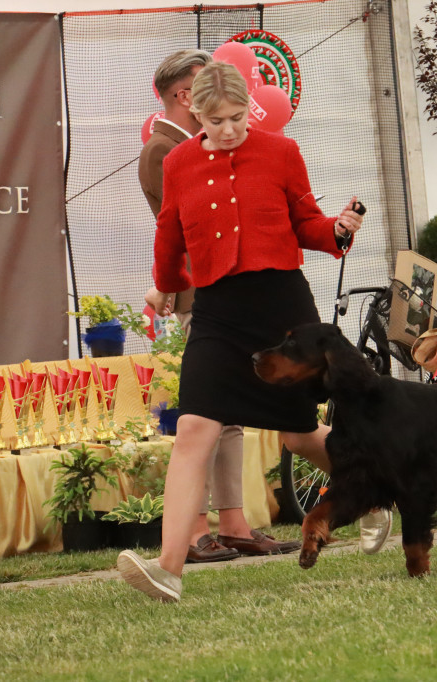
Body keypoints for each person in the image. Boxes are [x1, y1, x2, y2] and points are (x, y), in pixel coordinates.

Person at [118, 61, 381, 602]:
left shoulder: (281, 152)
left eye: (238, 117)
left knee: (299, 433)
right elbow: (169, 236)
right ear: (195, 112)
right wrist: (165, 286)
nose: (231, 129)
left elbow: (305, 222)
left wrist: (335, 229)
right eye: (217, 121)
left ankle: (374, 492)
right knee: (194, 427)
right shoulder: (179, 163)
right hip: (217, 311)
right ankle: (168, 571)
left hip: (282, 305)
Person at [139, 48, 288, 563]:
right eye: (208, 91)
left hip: (233, 293)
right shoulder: (167, 151)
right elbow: (179, 231)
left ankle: (232, 522)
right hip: (206, 294)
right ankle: (200, 529)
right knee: (206, 416)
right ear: (187, 97)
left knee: (227, 419)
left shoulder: (208, 146)